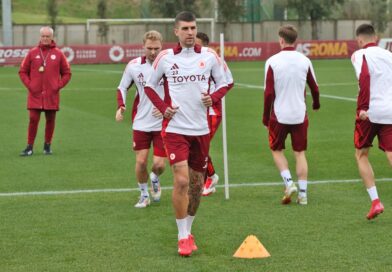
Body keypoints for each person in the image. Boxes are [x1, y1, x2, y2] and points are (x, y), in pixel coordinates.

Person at [144, 11, 229, 257]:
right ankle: (182, 237)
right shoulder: (166, 58)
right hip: (175, 129)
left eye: (193, 28)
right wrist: (163, 109)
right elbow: (150, 86)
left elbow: (224, 83)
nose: (191, 32)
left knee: (196, 185)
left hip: (201, 129)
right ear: (177, 32)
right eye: (186, 29)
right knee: (181, 181)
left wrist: (212, 98)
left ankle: (189, 230)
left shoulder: (210, 57)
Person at [263, 25, 320, 206]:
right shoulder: (304, 60)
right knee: (300, 153)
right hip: (299, 114)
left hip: (279, 115)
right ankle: (303, 194)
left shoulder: (272, 61)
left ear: (281, 40)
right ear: (295, 40)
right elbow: (314, 87)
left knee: (276, 149)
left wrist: (265, 116)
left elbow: (268, 93)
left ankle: (288, 182)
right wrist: (315, 103)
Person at [115, 30, 166, 208]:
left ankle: (155, 178)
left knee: (159, 165)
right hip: (141, 122)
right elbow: (121, 87)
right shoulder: (134, 66)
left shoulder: (169, 65)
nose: (153, 52)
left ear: (162, 46)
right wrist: (121, 105)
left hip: (164, 123)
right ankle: (144, 194)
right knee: (141, 161)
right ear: (143, 47)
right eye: (149, 48)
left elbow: (179, 90)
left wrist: (165, 106)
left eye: (156, 48)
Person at [351, 24, 392, 220]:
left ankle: (375, 201)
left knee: (361, 154)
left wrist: (362, 108)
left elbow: (365, 77)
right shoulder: (388, 55)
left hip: (369, 112)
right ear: (375, 37)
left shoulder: (359, 55)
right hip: (390, 111)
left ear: (359, 40)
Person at [19, 26, 71, 156]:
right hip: (35, 94)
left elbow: (67, 73)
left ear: (52, 37)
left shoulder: (58, 54)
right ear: (40, 37)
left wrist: (58, 85)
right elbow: (22, 72)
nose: (45, 38)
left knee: (50, 120)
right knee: (33, 119)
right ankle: (29, 147)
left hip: (51, 95)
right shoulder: (32, 53)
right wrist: (30, 85)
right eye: (43, 36)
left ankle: (47, 146)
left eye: (48, 36)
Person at [194, 32, 234, 196]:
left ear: (204, 44)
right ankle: (208, 177)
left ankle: (210, 178)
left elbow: (229, 82)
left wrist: (213, 98)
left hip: (212, 111)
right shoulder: (190, 59)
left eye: (196, 43)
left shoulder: (215, 59)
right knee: (195, 145)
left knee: (200, 145)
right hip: (195, 111)